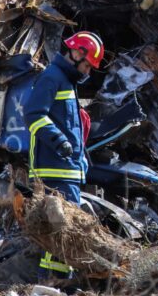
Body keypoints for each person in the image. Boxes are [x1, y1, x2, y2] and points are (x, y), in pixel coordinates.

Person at [24, 30, 104, 280]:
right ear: (77, 53)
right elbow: (33, 114)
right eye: (87, 66)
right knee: (63, 230)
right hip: (54, 170)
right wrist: (59, 141)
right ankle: (56, 283)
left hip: (67, 170)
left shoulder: (66, 81)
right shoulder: (52, 77)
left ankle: (57, 282)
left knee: (63, 230)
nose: (88, 73)